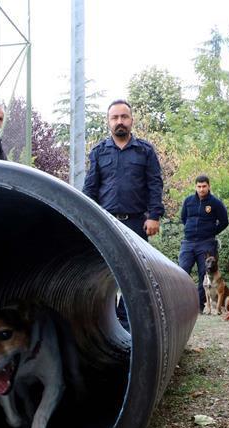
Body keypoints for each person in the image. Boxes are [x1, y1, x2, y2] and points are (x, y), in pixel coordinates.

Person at [81, 99, 164, 330]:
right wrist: (87, 221)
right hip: (106, 224)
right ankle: (105, 323)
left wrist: (154, 216)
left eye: (124, 117)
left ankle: (128, 325)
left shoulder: (145, 151)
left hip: (137, 223)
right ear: (108, 122)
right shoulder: (98, 152)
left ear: (131, 120)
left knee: (136, 276)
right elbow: (90, 190)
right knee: (104, 274)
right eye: (115, 117)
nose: (120, 121)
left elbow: (155, 184)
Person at [179, 175, 229, 312]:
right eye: (199, 186)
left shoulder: (215, 203)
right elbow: (184, 218)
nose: (201, 189)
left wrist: (211, 232)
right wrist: (190, 230)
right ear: (195, 186)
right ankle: (182, 304)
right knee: (182, 271)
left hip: (206, 243)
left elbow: (224, 222)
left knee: (204, 275)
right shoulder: (188, 201)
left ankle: (199, 306)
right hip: (188, 242)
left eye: (204, 186)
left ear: (208, 186)